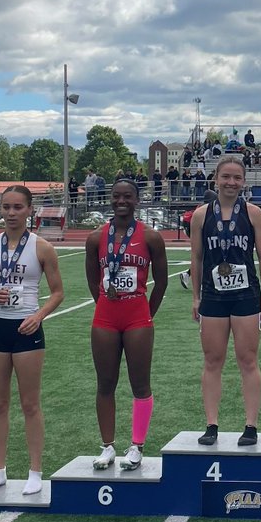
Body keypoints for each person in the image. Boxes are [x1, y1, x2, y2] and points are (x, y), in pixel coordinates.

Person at [0, 185, 65, 495]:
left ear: (29, 210)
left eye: (17, 207)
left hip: (27, 330)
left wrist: (38, 316)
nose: (11, 213)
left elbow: (57, 293)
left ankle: (35, 471)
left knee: (30, 404)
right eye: (6, 207)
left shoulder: (42, 248)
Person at [83, 179, 169, 471]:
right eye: (117, 196)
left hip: (137, 316)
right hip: (106, 317)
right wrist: (105, 304)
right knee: (105, 383)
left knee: (140, 384)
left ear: (137, 200)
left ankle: (137, 445)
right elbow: (93, 280)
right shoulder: (96, 238)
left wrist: (147, 313)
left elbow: (162, 282)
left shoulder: (151, 237)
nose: (122, 201)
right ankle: (107, 446)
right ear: (111, 199)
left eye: (128, 196)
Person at [189, 156, 261, 446]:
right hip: (213, 295)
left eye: (237, 177)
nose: (231, 182)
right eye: (226, 176)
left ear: (244, 181)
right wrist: (196, 297)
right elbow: (196, 258)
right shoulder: (200, 215)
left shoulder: (253, 213)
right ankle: (211, 424)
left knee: (247, 360)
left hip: (245, 295)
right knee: (212, 361)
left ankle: (251, 425)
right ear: (216, 178)